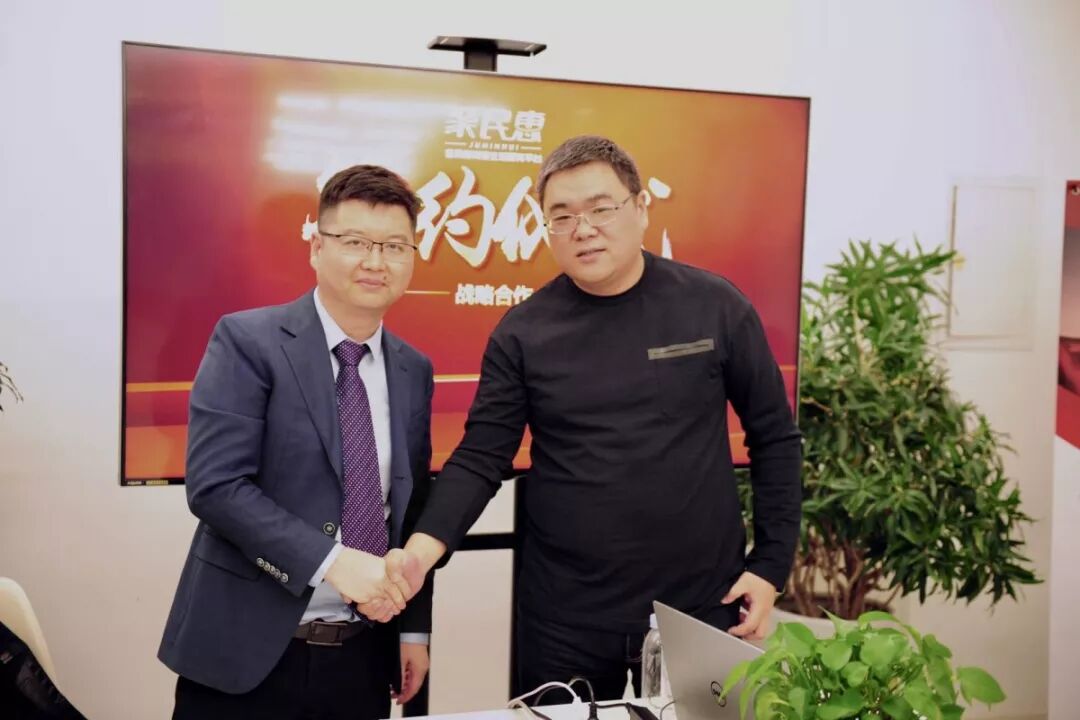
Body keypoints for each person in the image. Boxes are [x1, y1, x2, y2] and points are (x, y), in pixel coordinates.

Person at [400, 136, 802, 701]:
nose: (582, 229)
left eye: (600, 208)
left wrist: (771, 565)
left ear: (641, 208)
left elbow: (774, 437)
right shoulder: (523, 333)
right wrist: (420, 552)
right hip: (564, 617)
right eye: (562, 216)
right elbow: (481, 457)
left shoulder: (715, 305)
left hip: (703, 605)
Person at [158, 165, 434, 719]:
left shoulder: (413, 369)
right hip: (245, 654)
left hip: (362, 656)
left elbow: (410, 511)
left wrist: (413, 630)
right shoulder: (247, 341)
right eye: (355, 242)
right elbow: (216, 487)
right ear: (316, 247)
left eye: (394, 246)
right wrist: (333, 562)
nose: (375, 261)